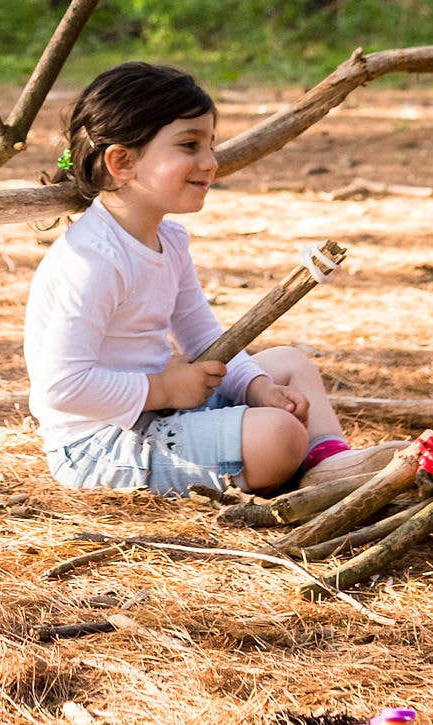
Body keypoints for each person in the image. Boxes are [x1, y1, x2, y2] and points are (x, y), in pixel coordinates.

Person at [23, 61, 372, 496]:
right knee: (278, 436)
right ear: (122, 161)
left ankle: (331, 464)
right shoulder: (92, 261)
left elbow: (202, 335)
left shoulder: (169, 239)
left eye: (210, 144)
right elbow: (63, 388)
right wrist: (165, 388)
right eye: (189, 145)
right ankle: (301, 465)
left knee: (288, 365)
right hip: (101, 442)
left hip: (161, 409)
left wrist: (258, 388)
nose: (210, 162)